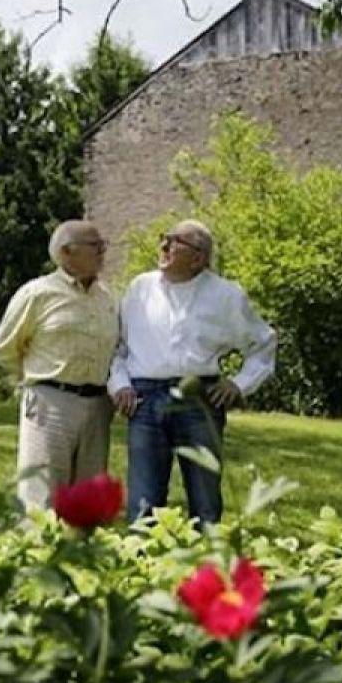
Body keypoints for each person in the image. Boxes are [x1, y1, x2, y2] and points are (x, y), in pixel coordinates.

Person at [109, 219, 276, 525]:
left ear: (198, 257)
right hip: (144, 401)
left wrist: (239, 384)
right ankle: (141, 568)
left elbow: (263, 343)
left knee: (205, 500)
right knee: (143, 501)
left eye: (173, 242)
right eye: (164, 239)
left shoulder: (226, 296)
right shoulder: (139, 289)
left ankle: (206, 566)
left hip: (199, 400)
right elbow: (118, 348)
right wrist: (119, 385)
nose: (163, 246)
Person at [0, 220, 119, 509]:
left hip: (98, 404)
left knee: (88, 496)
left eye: (103, 245)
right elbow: (2, 349)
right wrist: (36, 380)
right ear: (67, 252)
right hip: (51, 402)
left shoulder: (107, 296)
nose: (103, 251)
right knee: (42, 493)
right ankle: (38, 551)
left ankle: (84, 552)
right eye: (95, 245)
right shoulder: (37, 293)